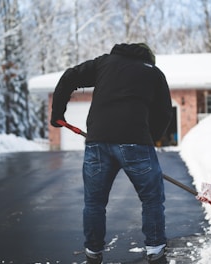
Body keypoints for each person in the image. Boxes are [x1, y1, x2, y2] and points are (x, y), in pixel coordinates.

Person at [50, 43, 173, 264]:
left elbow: (69, 77)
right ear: (149, 58)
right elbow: (164, 112)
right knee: (152, 199)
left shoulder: (104, 63)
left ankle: (93, 253)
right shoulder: (153, 73)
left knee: (94, 202)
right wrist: (148, 139)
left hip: (98, 141)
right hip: (136, 142)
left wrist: (57, 112)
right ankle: (155, 249)